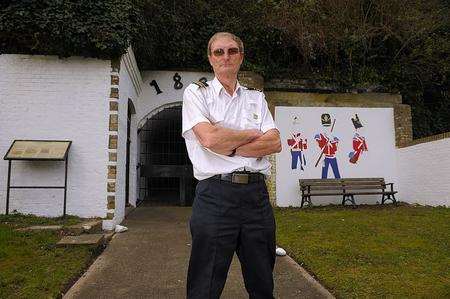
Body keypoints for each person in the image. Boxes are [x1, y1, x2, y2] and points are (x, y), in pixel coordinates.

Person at [181, 32, 282, 299]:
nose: (226, 57)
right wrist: (252, 134)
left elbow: (274, 143)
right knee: (205, 285)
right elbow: (209, 138)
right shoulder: (196, 93)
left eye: (232, 51)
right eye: (219, 52)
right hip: (215, 196)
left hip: (256, 199)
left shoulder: (255, 98)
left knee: (263, 284)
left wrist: (230, 144)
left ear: (241, 56)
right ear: (210, 58)